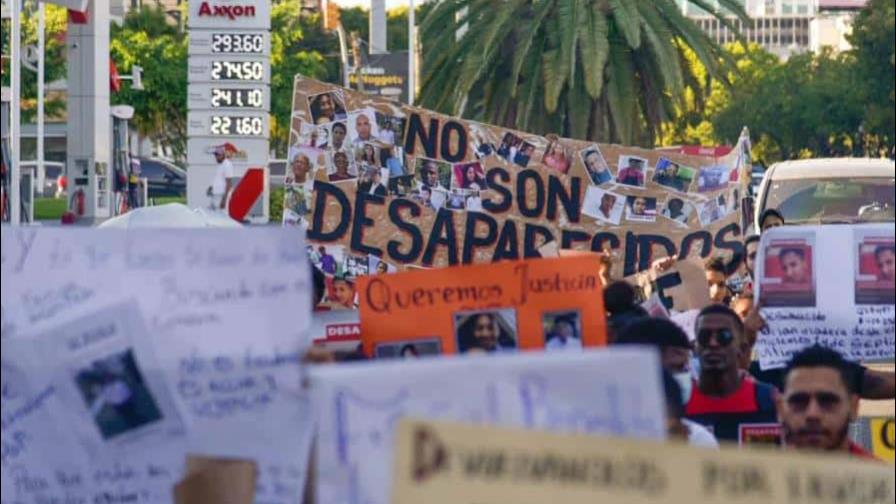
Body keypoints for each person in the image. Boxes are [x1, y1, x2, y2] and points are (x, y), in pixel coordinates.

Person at [616, 319, 720, 448]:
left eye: (685, 369)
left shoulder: (697, 441)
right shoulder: (595, 440)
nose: (684, 377)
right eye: (676, 367)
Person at [684, 305, 778, 442]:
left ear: (743, 349)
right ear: (694, 347)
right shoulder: (678, 403)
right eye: (704, 336)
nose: (713, 343)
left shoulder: (768, 400)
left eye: (724, 336)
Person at [777, 345, 874, 458]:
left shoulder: (884, 475)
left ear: (853, 407)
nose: (813, 414)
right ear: (780, 409)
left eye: (827, 401)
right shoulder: (755, 473)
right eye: (799, 401)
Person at [207, 145, 234, 211]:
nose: (216, 157)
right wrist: (211, 187)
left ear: (223, 155)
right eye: (215, 155)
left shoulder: (227, 164)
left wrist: (224, 199)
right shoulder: (220, 165)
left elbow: (229, 183)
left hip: (222, 196)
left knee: (222, 217)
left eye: (218, 155)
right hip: (216, 195)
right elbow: (219, 179)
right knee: (214, 215)